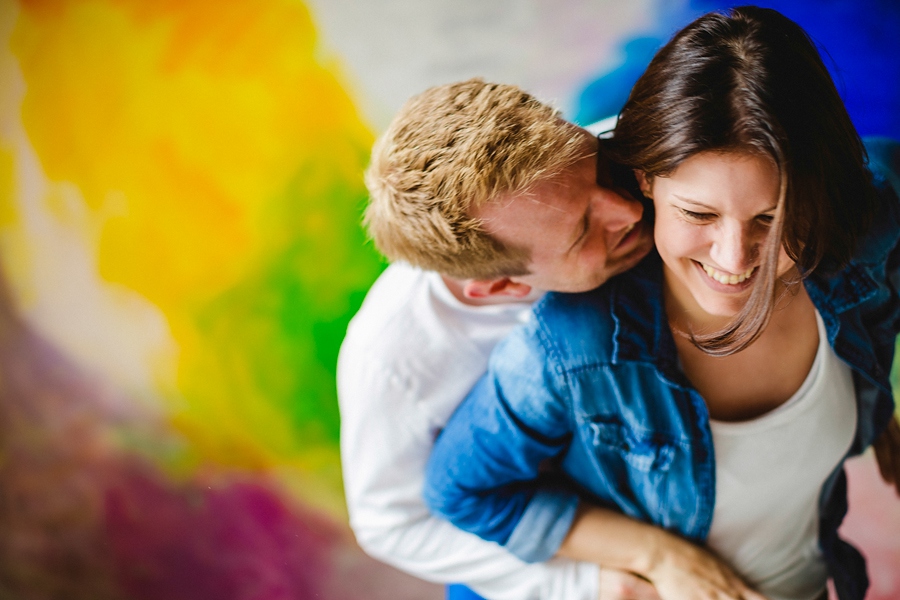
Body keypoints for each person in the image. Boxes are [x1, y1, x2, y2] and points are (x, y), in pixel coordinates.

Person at [424, 7, 900, 600]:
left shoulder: (871, 223)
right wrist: (661, 558)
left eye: (773, 220)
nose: (734, 259)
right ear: (646, 181)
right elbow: (461, 491)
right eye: (698, 215)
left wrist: (872, 403)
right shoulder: (574, 347)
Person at [338, 78, 690, 600]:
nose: (631, 211)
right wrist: (582, 582)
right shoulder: (392, 357)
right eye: (583, 229)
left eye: (599, 169)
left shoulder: (628, 153)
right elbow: (390, 524)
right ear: (500, 286)